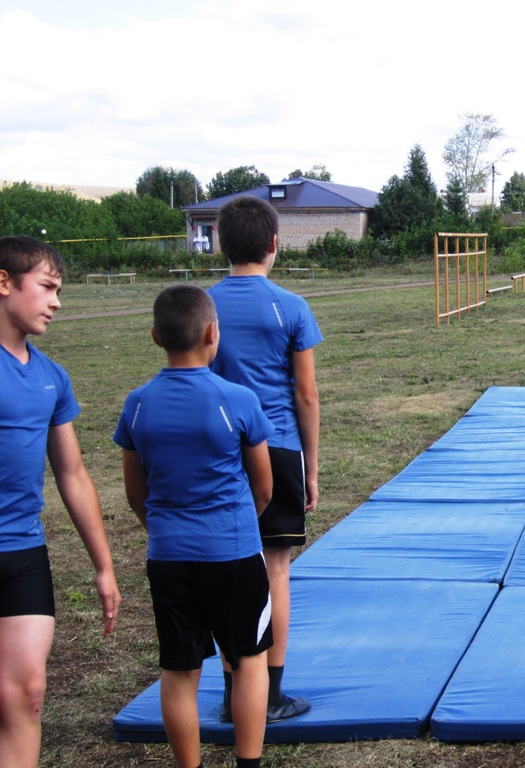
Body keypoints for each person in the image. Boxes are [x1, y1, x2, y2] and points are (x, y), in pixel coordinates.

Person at [114, 284, 274, 768]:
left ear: (155, 337)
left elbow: (134, 492)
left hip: (168, 558)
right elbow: (263, 488)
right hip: (233, 554)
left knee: (179, 669)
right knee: (248, 661)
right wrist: (240, 527)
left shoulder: (137, 404)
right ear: (212, 333)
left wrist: (163, 528)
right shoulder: (238, 399)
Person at [0, 235, 121, 768]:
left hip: (23, 553)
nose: (57, 301)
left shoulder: (51, 378)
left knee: (26, 696)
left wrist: (103, 565)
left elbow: (72, 475)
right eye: (47, 288)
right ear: (4, 283)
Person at [207, 196, 322, 723]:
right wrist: (311, 467)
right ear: (275, 244)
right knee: (275, 569)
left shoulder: (201, 306)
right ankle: (270, 692)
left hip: (221, 450)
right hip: (277, 448)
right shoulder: (291, 306)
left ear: (220, 244)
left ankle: (235, 692)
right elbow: (305, 395)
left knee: (229, 569)